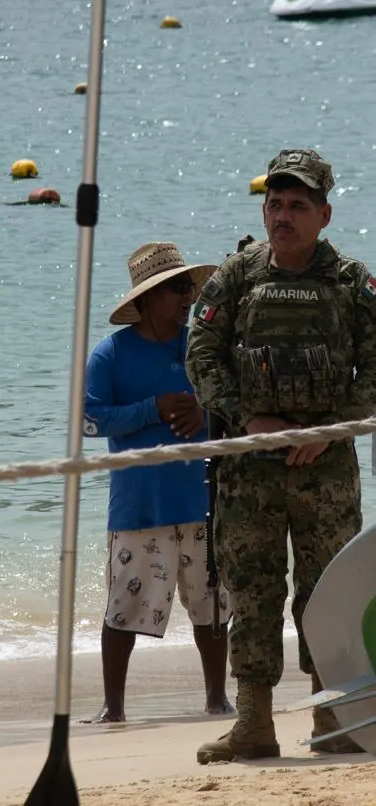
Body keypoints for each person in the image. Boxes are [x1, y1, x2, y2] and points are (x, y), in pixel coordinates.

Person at [186, 148, 376, 764]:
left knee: (329, 595)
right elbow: (201, 356)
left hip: (325, 469)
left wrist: (330, 427)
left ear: (324, 214)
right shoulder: (236, 278)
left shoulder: (351, 282)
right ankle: (253, 725)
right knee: (252, 590)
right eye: (275, 204)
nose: (283, 215)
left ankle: (337, 718)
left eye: (298, 205)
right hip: (250, 467)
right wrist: (251, 419)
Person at [81, 241, 233, 725]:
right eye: (177, 288)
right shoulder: (110, 355)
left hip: (201, 500)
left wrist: (204, 413)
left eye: (190, 286)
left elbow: (237, 409)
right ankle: (114, 707)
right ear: (146, 299)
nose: (189, 296)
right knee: (123, 607)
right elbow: (87, 421)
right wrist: (153, 409)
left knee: (212, 605)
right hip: (139, 507)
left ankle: (217, 698)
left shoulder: (202, 347)